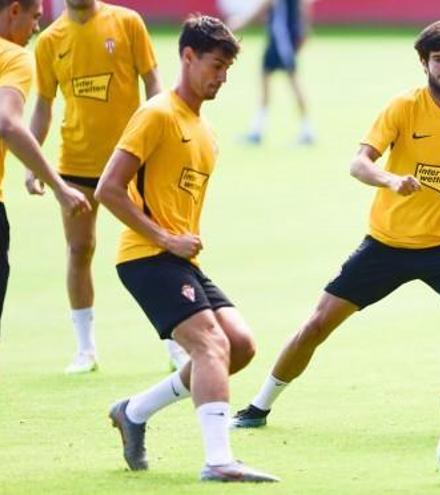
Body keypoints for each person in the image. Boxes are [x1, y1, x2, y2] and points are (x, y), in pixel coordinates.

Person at [231, 19, 440, 429]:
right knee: (318, 323)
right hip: (388, 243)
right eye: (439, 60)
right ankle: (259, 405)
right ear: (423, 63)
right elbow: (358, 164)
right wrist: (391, 180)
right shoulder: (403, 107)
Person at [95, 15, 277, 482]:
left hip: (180, 258)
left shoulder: (206, 131)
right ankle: (218, 461)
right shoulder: (156, 114)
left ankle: (134, 411)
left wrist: (179, 243)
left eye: (227, 71)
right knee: (212, 344)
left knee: (238, 345)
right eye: (214, 66)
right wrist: (164, 237)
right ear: (188, 57)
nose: (220, 78)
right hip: (146, 256)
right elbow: (108, 188)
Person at [25, 0, 189, 374]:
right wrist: (32, 163)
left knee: (158, 246)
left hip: (130, 159)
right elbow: (43, 106)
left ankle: (176, 342)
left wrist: (160, 138)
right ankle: (85, 348)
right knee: (80, 248)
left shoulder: (127, 22)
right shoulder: (50, 40)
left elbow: (152, 82)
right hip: (76, 164)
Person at [0, 0, 90, 492]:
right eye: (36, 17)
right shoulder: (9, 57)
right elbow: (9, 123)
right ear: (14, 11)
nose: (38, 27)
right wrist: (58, 184)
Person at [228, 0, 315, 145]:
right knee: (267, 77)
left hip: (282, 37)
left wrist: (241, 22)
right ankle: (257, 130)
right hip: (281, 35)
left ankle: (307, 131)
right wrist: (304, 29)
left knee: (292, 80)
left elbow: (265, 4)